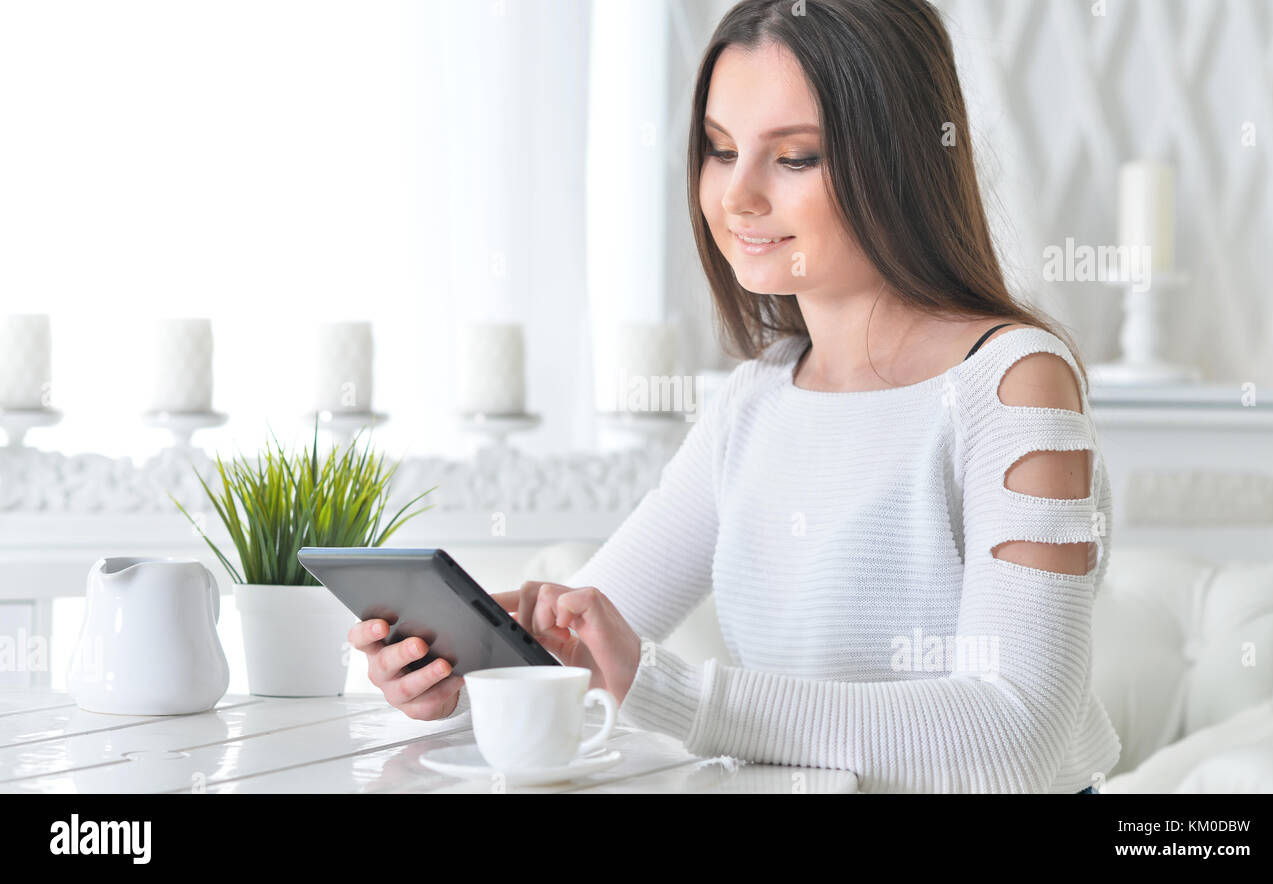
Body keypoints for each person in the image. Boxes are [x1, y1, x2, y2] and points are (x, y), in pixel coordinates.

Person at [349, 0, 1119, 794]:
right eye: (720, 150)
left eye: (795, 158)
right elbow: (586, 645)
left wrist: (670, 690)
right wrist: (458, 671)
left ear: (901, 160)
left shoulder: (1014, 384)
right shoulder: (754, 402)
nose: (738, 196)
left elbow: (1017, 736)